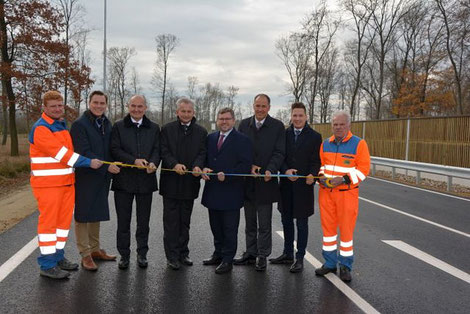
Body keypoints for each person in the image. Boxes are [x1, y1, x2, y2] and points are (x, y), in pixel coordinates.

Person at [29, 90, 103, 279]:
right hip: (48, 186)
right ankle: (47, 265)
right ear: (44, 108)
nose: (57, 109)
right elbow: (62, 155)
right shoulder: (41, 128)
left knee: (62, 226)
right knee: (49, 226)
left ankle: (58, 257)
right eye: (53, 106)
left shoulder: (60, 125)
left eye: (60, 105)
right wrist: (89, 162)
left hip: (65, 184)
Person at [315, 110, 370, 282]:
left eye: (341, 124)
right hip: (326, 194)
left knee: (346, 232)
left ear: (348, 125)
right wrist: (321, 177)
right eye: (335, 124)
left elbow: (363, 170)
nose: (338, 127)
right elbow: (322, 166)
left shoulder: (359, 144)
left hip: (347, 194)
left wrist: (344, 180)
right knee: (328, 232)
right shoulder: (326, 144)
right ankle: (330, 263)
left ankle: (345, 266)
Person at [70, 91, 120, 271]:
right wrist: (107, 166)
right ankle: (85, 254)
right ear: (89, 103)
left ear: (106, 105)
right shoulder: (79, 125)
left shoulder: (106, 123)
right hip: (86, 175)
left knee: (96, 212)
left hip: (102, 177)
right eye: (95, 102)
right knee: (83, 215)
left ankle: (95, 249)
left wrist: (115, 162)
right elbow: (83, 151)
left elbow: (110, 148)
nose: (99, 106)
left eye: (102, 103)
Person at [235, 93, 285, 271]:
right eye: (257, 106)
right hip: (248, 182)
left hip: (266, 181)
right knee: (249, 222)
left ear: (269, 108)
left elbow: (279, 152)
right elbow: (238, 150)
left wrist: (269, 169)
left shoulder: (277, 126)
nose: (260, 109)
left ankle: (262, 255)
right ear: (253, 106)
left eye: (264, 106)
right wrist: (248, 167)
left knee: (264, 223)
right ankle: (250, 252)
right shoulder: (244, 125)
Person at [270, 102, 322, 273]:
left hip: (303, 187)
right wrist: (285, 170)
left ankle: (299, 257)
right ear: (291, 117)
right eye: (295, 115)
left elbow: (316, 161)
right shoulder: (283, 134)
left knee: (301, 223)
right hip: (286, 185)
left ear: (306, 117)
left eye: (301, 115)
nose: (297, 118)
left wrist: (312, 176)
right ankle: (287, 254)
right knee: (286, 221)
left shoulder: (315, 136)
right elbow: (279, 155)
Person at [110, 95, 160, 270]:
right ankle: (124, 255)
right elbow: (115, 149)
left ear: (145, 108)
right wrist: (134, 161)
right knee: (123, 221)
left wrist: (153, 163)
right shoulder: (118, 126)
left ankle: (142, 253)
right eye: (133, 106)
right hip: (123, 182)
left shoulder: (154, 127)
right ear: (128, 106)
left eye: (140, 106)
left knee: (143, 221)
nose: (137, 109)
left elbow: (157, 149)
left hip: (145, 181)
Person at [201, 108, 253, 274]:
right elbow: (204, 158)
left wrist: (228, 175)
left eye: (227, 119)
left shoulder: (242, 140)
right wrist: (203, 168)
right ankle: (218, 253)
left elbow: (245, 165)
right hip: (213, 190)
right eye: (221, 118)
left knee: (229, 229)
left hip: (231, 191)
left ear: (233, 120)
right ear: (217, 120)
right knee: (216, 227)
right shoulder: (211, 138)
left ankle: (227, 259)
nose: (224, 121)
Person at [159, 97, 207, 270]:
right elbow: (163, 150)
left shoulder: (201, 132)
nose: (186, 114)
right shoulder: (166, 129)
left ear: (193, 113)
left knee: (185, 221)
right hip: (171, 183)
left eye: (189, 111)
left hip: (189, 183)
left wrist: (197, 166)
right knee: (171, 221)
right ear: (177, 112)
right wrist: (173, 164)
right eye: (183, 111)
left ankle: (183, 253)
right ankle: (171, 256)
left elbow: (202, 152)